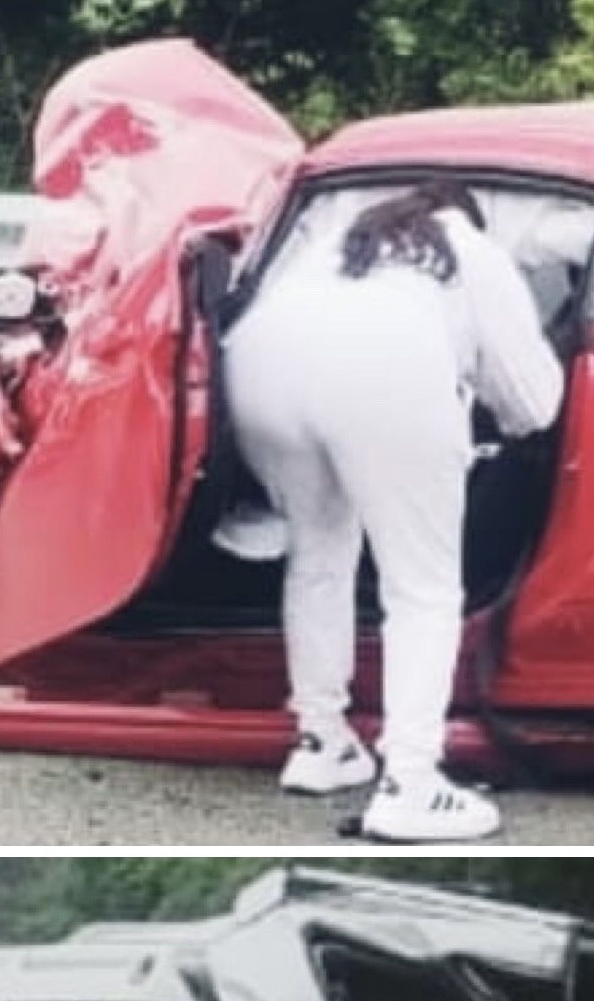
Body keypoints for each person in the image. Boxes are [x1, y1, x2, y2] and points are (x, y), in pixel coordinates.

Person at [221, 180, 566, 842]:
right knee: (423, 588)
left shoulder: (332, 243)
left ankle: (322, 741)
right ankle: (411, 782)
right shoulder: (469, 248)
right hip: (386, 377)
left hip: (262, 372)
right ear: (466, 214)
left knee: (317, 555)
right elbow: (534, 402)